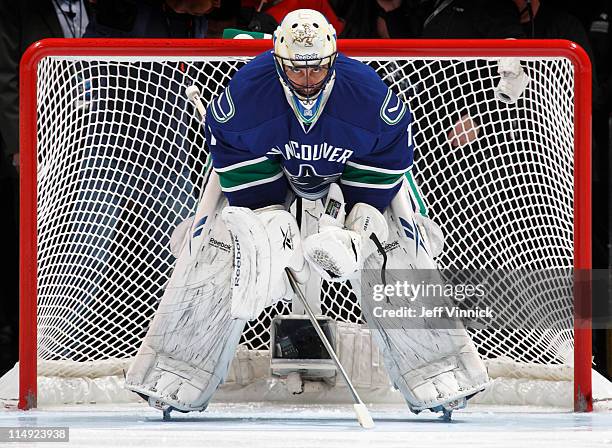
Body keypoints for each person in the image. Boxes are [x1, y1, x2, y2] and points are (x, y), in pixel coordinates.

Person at [125, 9, 489, 418]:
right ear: (278, 60)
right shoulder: (245, 97)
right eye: (297, 71)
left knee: (391, 248)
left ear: (333, 57)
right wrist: (265, 226)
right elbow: (245, 183)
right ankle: (178, 367)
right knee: (225, 244)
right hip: (273, 174)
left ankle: (439, 366)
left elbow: (383, 172)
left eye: (316, 69)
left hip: (350, 176)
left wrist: (358, 231)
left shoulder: (369, 98)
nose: (308, 80)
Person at [0, 0, 91, 377]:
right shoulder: (16, 9)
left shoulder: (98, 9)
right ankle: (18, 347)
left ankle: (72, 342)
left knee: (79, 247)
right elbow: (6, 79)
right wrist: (20, 144)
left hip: (92, 141)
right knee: (28, 248)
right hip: (37, 146)